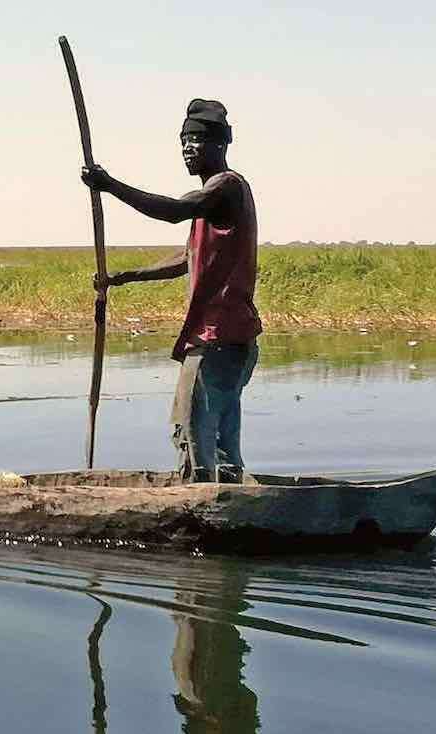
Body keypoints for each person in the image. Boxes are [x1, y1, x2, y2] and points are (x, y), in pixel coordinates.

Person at [81, 99, 262, 483]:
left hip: (216, 339)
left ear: (221, 145)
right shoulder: (216, 202)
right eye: (183, 141)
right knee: (222, 445)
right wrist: (127, 276)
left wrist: (110, 186)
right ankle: (230, 504)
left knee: (194, 438)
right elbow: (188, 256)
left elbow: (174, 211)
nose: (188, 148)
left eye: (197, 139)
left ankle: (201, 513)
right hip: (233, 340)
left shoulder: (225, 187)